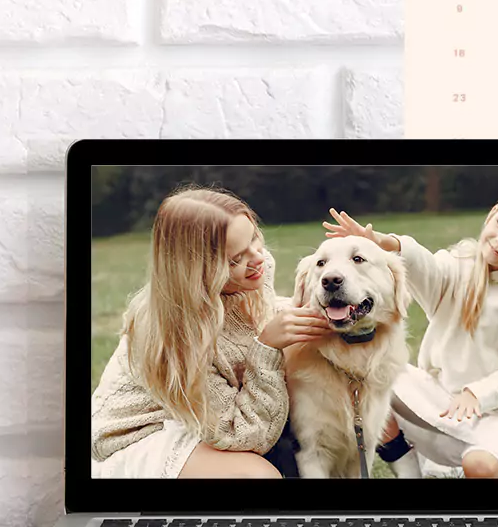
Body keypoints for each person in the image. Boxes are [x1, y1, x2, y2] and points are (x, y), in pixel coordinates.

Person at [323, 187, 498, 480]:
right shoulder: (458, 266)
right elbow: (424, 267)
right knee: (363, 378)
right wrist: (384, 243)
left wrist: (479, 392)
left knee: (479, 467)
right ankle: (408, 466)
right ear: (492, 215)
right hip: (437, 401)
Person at [90, 186, 330, 478]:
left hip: (213, 414)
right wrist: (266, 347)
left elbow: (246, 323)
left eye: (254, 237)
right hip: (151, 431)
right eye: (234, 259)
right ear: (197, 269)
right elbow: (239, 434)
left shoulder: (251, 270)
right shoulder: (175, 331)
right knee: (258, 478)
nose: (257, 258)